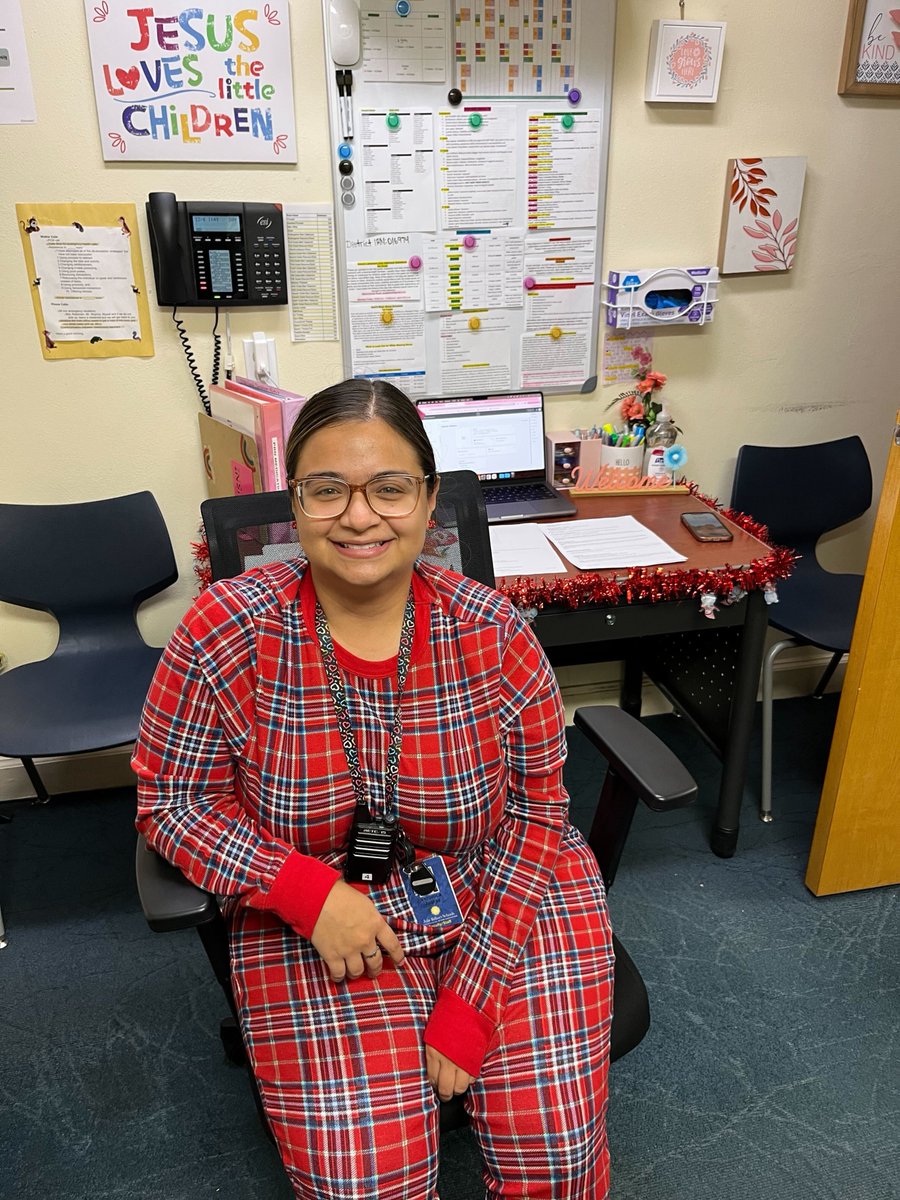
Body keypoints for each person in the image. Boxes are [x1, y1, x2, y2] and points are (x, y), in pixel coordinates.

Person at [133, 378, 615, 1200]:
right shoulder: (224, 629)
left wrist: (474, 1000)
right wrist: (302, 890)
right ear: (296, 502)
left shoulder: (496, 635)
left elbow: (539, 815)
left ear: (428, 503)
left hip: (503, 882)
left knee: (556, 1156)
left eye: (390, 488)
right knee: (366, 1184)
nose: (360, 517)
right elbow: (172, 803)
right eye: (328, 490)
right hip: (314, 903)